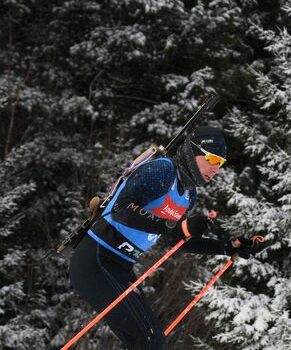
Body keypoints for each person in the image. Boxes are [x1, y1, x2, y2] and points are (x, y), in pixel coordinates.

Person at [69, 126, 254, 349]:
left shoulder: (188, 195)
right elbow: (122, 210)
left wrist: (227, 247)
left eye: (221, 164)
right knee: (150, 339)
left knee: (151, 340)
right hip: (96, 258)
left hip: (121, 267)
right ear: (192, 151)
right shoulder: (163, 170)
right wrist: (174, 225)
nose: (216, 169)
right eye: (212, 159)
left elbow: (177, 239)